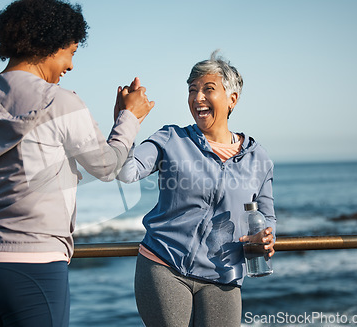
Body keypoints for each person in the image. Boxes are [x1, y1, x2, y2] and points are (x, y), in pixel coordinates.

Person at [0, 0, 154, 326]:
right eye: (70, 52)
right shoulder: (60, 101)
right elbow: (107, 167)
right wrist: (128, 118)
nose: (70, 66)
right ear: (50, 44)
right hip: (31, 268)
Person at [116, 50, 276, 327]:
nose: (197, 97)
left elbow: (268, 217)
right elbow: (125, 171)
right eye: (192, 90)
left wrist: (265, 238)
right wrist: (125, 120)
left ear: (232, 99)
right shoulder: (171, 139)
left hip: (224, 275)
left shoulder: (258, 158)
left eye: (208, 89)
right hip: (164, 266)